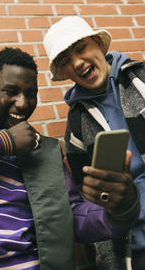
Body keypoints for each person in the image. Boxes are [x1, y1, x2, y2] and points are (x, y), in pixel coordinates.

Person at [0, 47, 139, 270]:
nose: (22, 103)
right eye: (11, 91)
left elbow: (71, 218)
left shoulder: (46, 150)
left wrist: (120, 211)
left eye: (30, 93)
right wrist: (1, 143)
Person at [43, 15, 145, 269]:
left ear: (98, 44)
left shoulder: (141, 78)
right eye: (66, 61)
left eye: (81, 49)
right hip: (133, 251)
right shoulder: (75, 127)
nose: (77, 63)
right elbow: (90, 201)